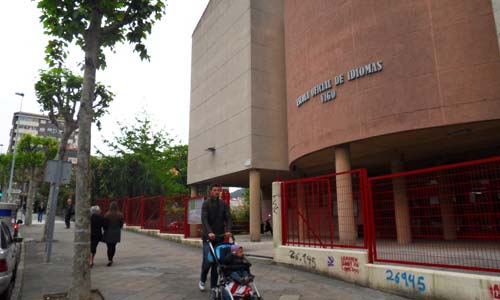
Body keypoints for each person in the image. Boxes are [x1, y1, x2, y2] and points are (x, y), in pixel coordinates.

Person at [199, 184, 232, 293]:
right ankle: (202, 279)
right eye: (215, 190)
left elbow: (228, 218)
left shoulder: (223, 204)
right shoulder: (206, 204)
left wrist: (229, 230)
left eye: (218, 190)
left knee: (216, 262)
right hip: (208, 238)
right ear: (210, 192)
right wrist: (209, 232)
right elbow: (204, 219)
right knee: (208, 261)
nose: (217, 192)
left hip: (219, 237)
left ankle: (213, 285)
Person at [102, 201, 124, 267]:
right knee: (113, 246)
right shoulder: (120, 215)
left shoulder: (107, 214)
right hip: (116, 232)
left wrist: (105, 229)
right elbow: (121, 225)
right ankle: (111, 258)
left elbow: (104, 225)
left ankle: (109, 259)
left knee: (109, 247)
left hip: (108, 232)